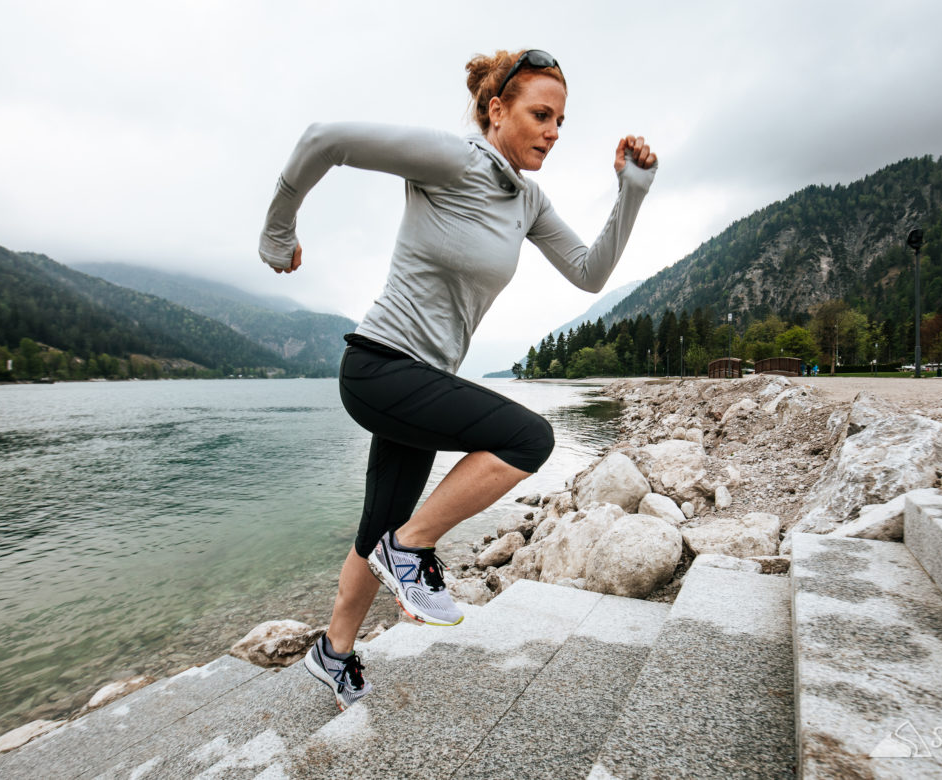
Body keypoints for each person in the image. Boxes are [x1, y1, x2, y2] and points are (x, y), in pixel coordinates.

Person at [258, 48, 657, 711]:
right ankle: (411, 551)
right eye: (540, 115)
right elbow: (322, 140)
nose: (553, 133)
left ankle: (334, 652)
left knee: (375, 530)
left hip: (421, 382)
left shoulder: (527, 200)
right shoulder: (453, 160)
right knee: (527, 438)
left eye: (561, 121)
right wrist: (278, 231)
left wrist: (631, 192)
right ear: (496, 111)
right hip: (379, 366)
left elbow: (589, 271)